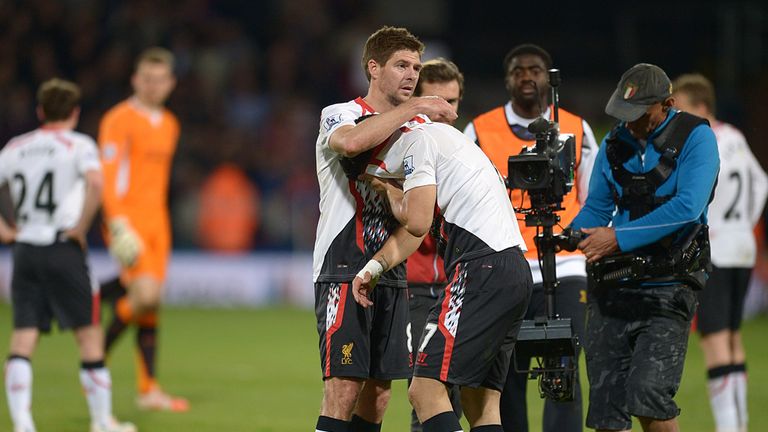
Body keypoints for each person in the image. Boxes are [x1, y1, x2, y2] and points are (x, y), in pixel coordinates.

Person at [312, 26, 456, 432]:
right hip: (342, 266)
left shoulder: (416, 134)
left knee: (378, 394)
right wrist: (417, 108)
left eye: (416, 67)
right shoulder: (341, 113)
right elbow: (351, 143)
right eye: (401, 65)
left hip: (389, 272)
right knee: (343, 388)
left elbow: (415, 213)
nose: (411, 75)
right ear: (373, 68)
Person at [352, 117, 532, 432]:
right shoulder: (444, 140)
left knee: (424, 390)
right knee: (481, 402)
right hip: (513, 269)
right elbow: (417, 232)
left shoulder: (415, 142)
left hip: (480, 268)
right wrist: (376, 266)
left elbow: (418, 222)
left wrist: (386, 188)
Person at [571, 63, 719, 432]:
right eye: (623, 113)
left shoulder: (697, 137)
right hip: (614, 284)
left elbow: (688, 207)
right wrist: (570, 234)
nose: (629, 123)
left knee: (648, 393)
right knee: (606, 405)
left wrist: (617, 238)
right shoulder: (615, 143)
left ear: (667, 104)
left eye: (639, 115)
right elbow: (597, 206)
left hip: (669, 284)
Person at [464, 43, 597, 432]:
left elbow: (592, 199)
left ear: (548, 77)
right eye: (518, 70)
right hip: (508, 264)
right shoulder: (479, 129)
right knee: (506, 375)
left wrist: (580, 241)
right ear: (506, 80)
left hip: (566, 262)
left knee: (565, 371)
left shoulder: (575, 127)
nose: (526, 76)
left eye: (535, 69)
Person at [0, 78, 136, 432]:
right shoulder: (78, 145)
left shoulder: (16, 146)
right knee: (89, 337)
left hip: (26, 248)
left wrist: (4, 230)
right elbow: (96, 184)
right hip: (63, 247)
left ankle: (23, 424)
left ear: (40, 111)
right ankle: (102, 422)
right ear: (75, 113)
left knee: (23, 337)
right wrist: (81, 226)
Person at [673, 73, 768, 432]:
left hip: (716, 250)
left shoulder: (703, 142)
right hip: (742, 247)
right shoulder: (736, 137)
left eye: (680, 107)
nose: (676, 116)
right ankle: (739, 424)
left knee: (714, 341)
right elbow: (761, 181)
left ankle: (729, 428)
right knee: (732, 337)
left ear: (700, 107)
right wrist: (744, 220)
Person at [97, 47, 188, 412]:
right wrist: (116, 221)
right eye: (146, 79)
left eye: (160, 80)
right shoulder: (118, 119)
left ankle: (148, 389)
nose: (153, 86)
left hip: (158, 223)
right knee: (146, 295)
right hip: (128, 221)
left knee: (150, 306)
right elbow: (108, 174)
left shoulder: (169, 124)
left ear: (170, 83)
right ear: (135, 80)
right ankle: (95, 357)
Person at [406, 57, 465, 432]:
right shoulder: (407, 148)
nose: (445, 112)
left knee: (452, 389)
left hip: (456, 287)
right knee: (427, 386)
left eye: (453, 102)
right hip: (412, 288)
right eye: (435, 101)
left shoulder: (468, 153)